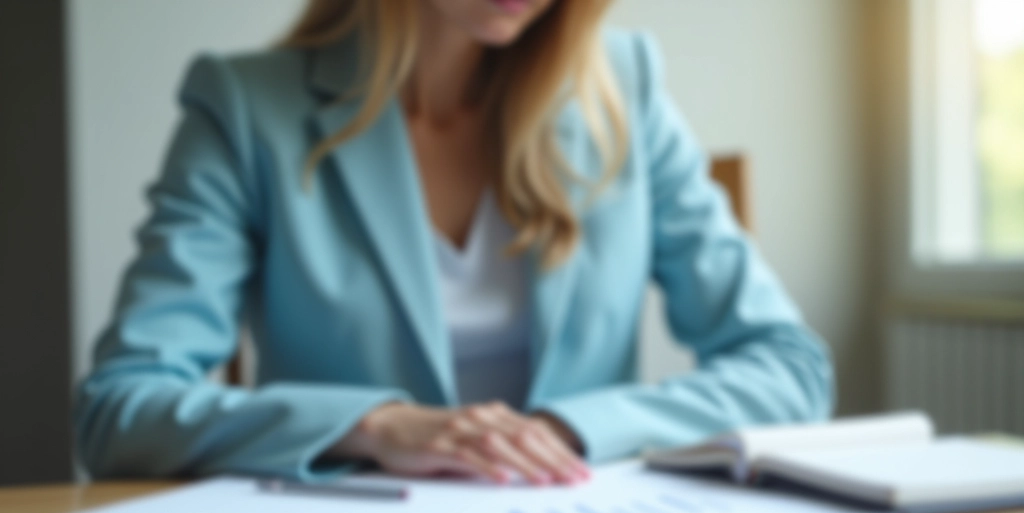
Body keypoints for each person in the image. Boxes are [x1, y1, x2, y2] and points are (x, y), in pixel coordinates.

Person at [75, 0, 833, 486]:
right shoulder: (245, 108)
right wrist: (373, 428)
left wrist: (564, 431)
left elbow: (791, 370)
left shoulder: (622, 89)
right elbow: (121, 408)